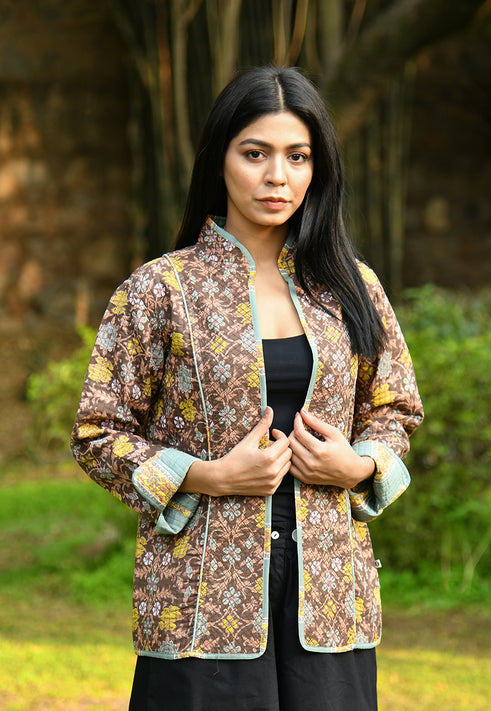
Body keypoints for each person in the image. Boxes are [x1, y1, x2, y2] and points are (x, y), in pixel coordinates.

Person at [71, 65, 423, 711]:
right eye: (255, 153)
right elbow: (98, 431)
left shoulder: (351, 288)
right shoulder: (159, 290)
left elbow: (394, 409)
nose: (276, 176)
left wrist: (357, 465)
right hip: (200, 600)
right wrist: (206, 476)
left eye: (297, 156)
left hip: (331, 595)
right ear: (220, 159)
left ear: (318, 168)